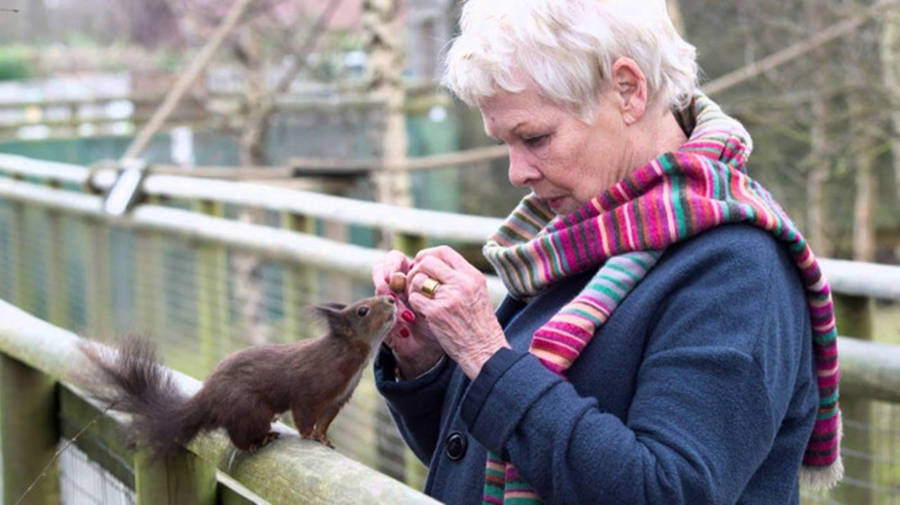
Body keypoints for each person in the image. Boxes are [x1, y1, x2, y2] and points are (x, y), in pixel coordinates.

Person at [371, 1, 842, 504]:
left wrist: (486, 356)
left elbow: (668, 492)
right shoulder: (583, 235)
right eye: (505, 143)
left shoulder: (738, 269)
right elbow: (493, 457)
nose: (517, 172)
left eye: (535, 137)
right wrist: (429, 360)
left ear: (627, 90)